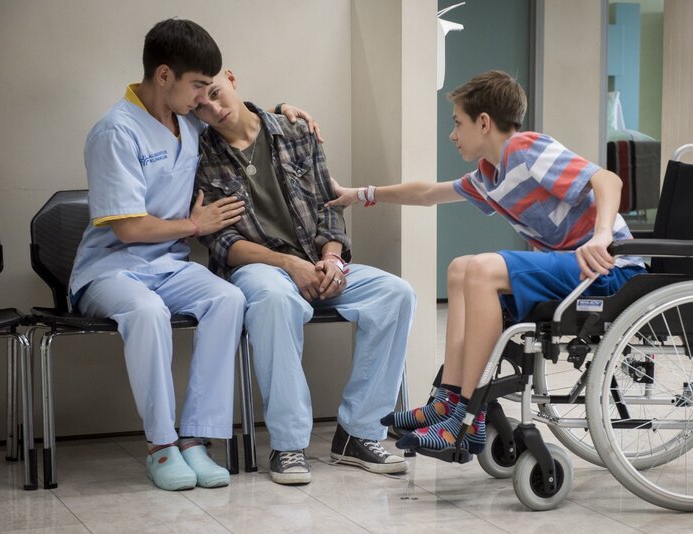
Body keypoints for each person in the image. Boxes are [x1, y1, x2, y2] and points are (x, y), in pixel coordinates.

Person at [327, 70, 646, 455]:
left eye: (457, 123)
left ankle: (466, 415)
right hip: (570, 272)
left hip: (607, 270)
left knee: (480, 269)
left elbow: (608, 180)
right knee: (460, 268)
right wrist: (358, 194)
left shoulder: (526, 149)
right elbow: (428, 193)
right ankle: (449, 401)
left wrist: (602, 235)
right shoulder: (490, 176)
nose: (453, 134)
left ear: (483, 122)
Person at [69, 19, 317, 491]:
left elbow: (242, 119)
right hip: (110, 270)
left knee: (227, 299)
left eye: (208, 86)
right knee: (147, 312)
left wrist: (286, 111)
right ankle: (161, 447)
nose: (204, 98)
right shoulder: (115, 132)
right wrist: (194, 226)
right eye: (197, 86)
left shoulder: (186, 122)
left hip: (168, 266)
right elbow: (127, 227)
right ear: (164, 77)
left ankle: (196, 440)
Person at [192, 70, 416, 485]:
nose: (215, 109)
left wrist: (332, 259)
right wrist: (287, 265)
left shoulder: (295, 131)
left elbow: (329, 204)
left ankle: (359, 433)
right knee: (275, 301)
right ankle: (288, 443)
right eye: (201, 105)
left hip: (317, 262)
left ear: (232, 79)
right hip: (257, 269)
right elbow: (220, 241)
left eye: (217, 94)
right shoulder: (199, 153)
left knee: (396, 294)